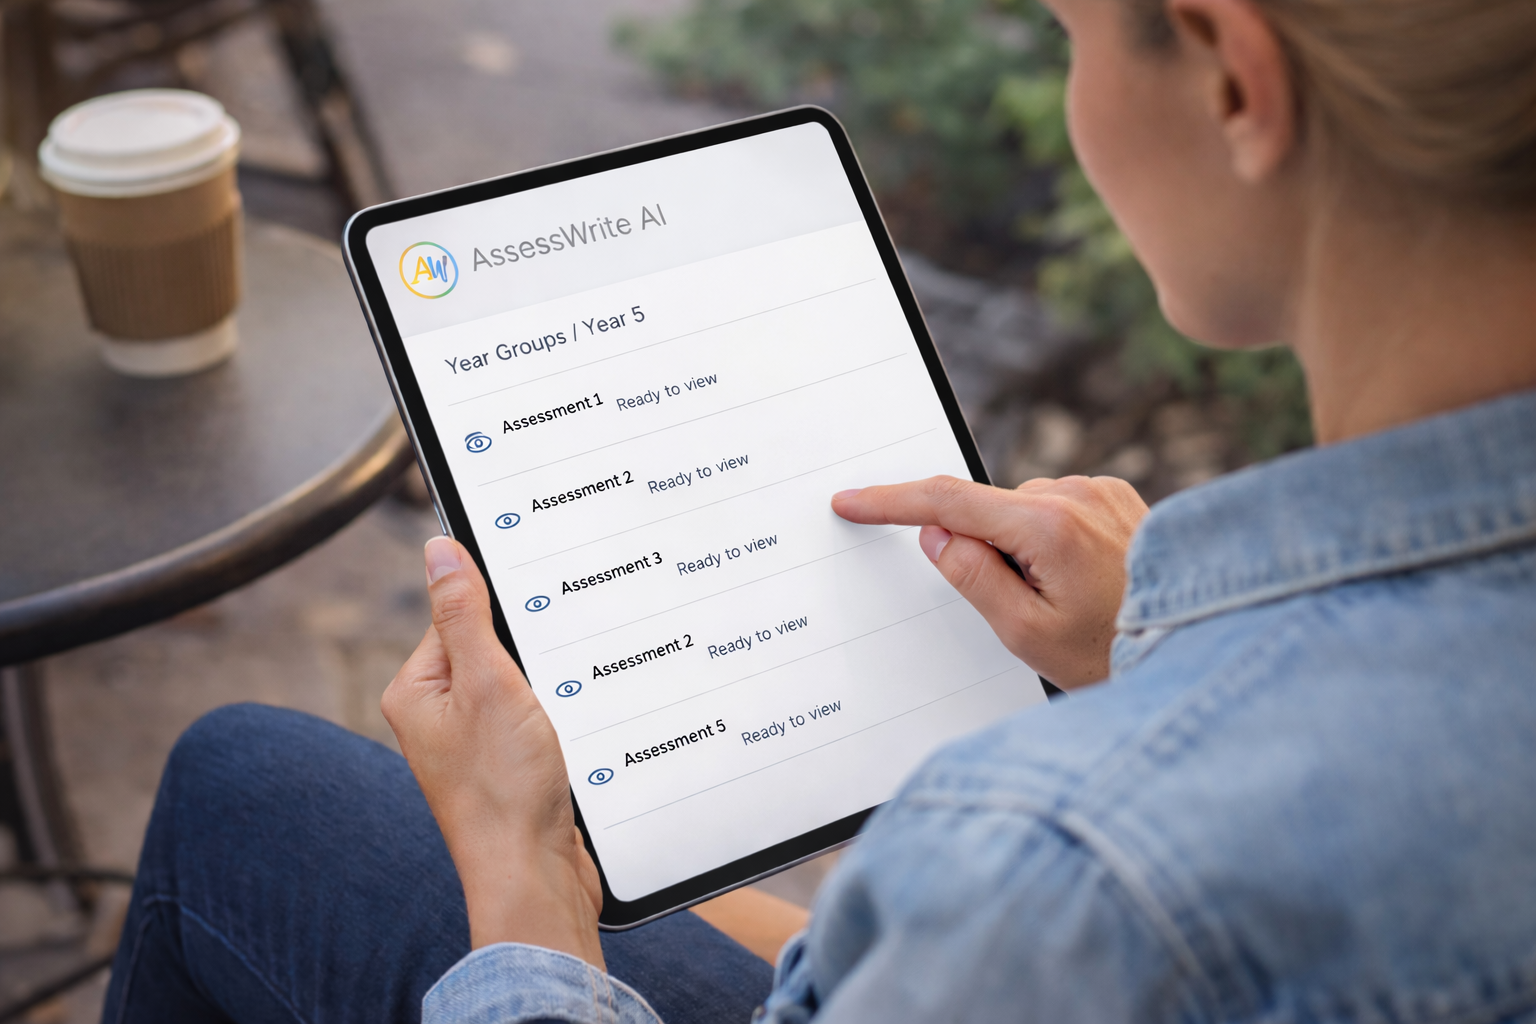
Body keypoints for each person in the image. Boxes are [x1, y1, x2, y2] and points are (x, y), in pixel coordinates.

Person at [101, 0, 1536, 1015]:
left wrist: (527, 886)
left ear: (1230, 75)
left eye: (1070, 29)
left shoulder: (1059, 863)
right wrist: (1159, 655)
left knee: (242, 784)